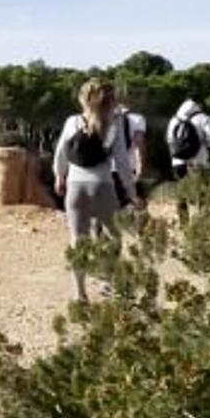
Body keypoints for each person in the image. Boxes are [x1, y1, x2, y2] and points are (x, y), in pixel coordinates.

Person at [53, 78, 141, 302]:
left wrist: (59, 176)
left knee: (77, 240)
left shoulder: (72, 122)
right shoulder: (113, 125)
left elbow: (61, 153)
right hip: (103, 186)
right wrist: (131, 192)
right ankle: (107, 280)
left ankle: (80, 293)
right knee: (114, 236)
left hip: (75, 187)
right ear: (111, 101)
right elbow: (121, 161)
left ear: (83, 99)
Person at [165, 99, 210, 180]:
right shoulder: (204, 118)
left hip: (178, 160)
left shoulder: (174, 120)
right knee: (198, 188)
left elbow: (169, 140)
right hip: (199, 160)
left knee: (181, 187)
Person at [112, 102, 147, 207]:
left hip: (106, 170)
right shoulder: (137, 119)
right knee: (138, 205)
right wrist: (140, 169)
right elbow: (139, 145)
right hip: (128, 168)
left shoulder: (104, 119)